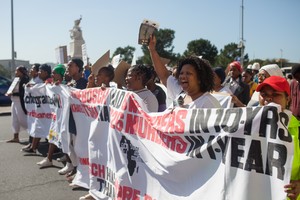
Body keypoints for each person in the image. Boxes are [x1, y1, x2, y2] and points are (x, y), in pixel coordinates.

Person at [255, 76, 300, 200]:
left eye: (275, 94)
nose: (269, 98)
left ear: (288, 99)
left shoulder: (298, 131)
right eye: (263, 94)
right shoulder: (246, 127)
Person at [148, 35, 221, 109]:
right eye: (181, 73)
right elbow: (164, 76)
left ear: (200, 78)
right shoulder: (180, 95)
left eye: (188, 73)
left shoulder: (209, 104)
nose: (182, 76)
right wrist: (152, 49)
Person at [58, 58, 87, 178]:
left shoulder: (84, 84)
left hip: (79, 122)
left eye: (70, 66)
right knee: (70, 144)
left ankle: (81, 171)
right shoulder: (71, 84)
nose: (67, 68)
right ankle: (76, 168)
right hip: (69, 119)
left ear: (78, 68)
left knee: (78, 146)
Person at [36, 64, 66, 167]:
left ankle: (70, 161)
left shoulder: (65, 86)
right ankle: (49, 159)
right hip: (55, 116)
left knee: (66, 140)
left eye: (54, 73)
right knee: (53, 136)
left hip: (64, 118)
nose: (52, 75)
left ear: (60, 74)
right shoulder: (53, 85)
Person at [22, 64, 52, 153]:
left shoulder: (49, 82)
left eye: (40, 71)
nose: (39, 73)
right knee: (38, 128)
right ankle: (33, 148)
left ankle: (53, 151)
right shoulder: (43, 82)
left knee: (50, 131)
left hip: (48, 113)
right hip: (41, 112)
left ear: (46, 73)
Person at [6, 65, 30, 143]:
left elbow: (23, 93)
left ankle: (34, 135)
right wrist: (9, 93)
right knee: (14, 120)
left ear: (21, 72)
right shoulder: (16, 79)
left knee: (22, 119)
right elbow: (11, 89)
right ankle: (16, 137)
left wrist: (13, 94)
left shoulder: (25, 79)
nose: (16, 72)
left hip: (20, 101)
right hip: (14, 101)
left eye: (17, 71)